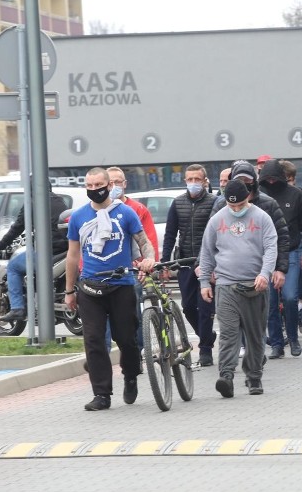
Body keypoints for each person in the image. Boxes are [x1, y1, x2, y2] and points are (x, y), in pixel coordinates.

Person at [65, 167, 156, 411]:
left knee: (126, 339)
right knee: (94, 340)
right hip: (90, 286)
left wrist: (149, 259)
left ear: (108, 185)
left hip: (121, 285)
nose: (94, 190)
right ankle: (102, 394)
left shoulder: (125, 213)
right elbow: (72, 256)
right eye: (90, 186)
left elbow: (144, 242)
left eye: (98, 185)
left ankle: (130, 375)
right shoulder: (79, 217)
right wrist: (69, 291)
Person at [199, 179, 278, 396]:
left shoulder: (262, 218)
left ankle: (254, 376)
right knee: (228, 334)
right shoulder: (216, 220)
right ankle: (226, 376)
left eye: (240, 205)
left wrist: (265, 274)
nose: (235, 209)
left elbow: (271, 247)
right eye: (231, 206)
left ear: (248, 197)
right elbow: (206, 252)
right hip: (226, 285)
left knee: (255, 335)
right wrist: (205, 281)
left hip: (255, 286)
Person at [161, 164, 218, 367]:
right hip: (185, 262)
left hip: (207, 262)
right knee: (187, 307)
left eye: (197, 179)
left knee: (205, 307)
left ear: (205, 181)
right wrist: (164, 263)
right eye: (189, 179)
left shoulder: (214, 202)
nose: (193, 183)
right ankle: (207, 335)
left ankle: (205, 350)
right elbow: (170, 235)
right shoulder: (178, 204)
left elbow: (216, 235)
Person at [258, 158, 302, 357]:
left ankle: (293, 338)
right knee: (271, 302)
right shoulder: (259, 196)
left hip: (291, 251)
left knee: (290, 297)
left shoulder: (296, 194)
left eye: (275, 179)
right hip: (266, 255)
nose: (272, 183)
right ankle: (276, 343)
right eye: (268, 180)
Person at [105, 167, 160, 349]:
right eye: (110, 183)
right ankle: (101, 355)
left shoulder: (137, 209)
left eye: (117, 182)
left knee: (132, 311)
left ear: (125, 184)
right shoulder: (98, 209)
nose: (114, 186)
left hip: (132, 271)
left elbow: (148, 240)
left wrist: (149, 266)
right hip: (105, 272)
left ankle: (137, 349)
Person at [0, 185, 69, 322]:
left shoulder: (32, 203)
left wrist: (1, 244)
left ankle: (17, 308)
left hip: (46, 252)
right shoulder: (60, 201)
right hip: (63, 250)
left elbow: (17, 228)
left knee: (13, 266)